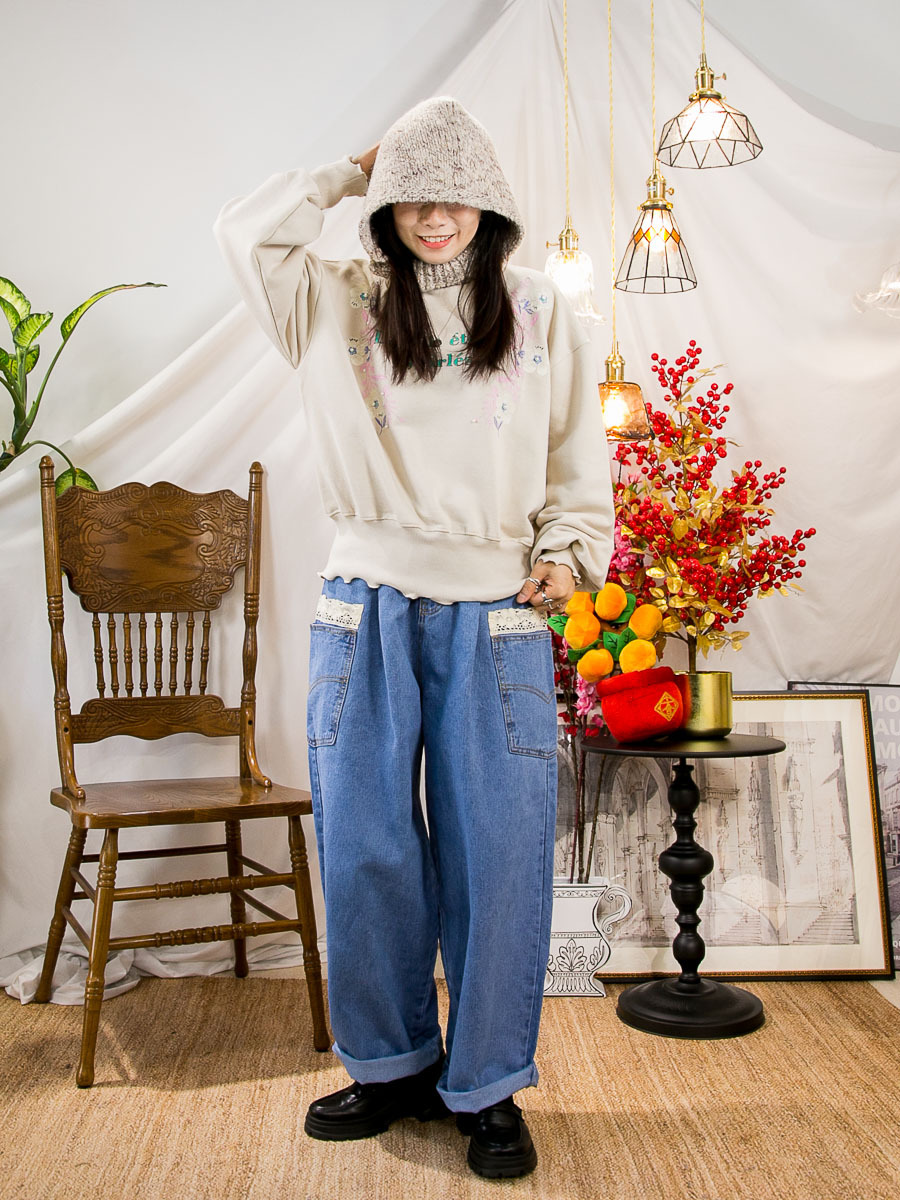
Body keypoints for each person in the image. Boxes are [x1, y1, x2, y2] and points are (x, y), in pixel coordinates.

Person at [215, 96, 614, 1180]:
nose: (436, 218)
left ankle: (486, 1084)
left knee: (501, 855)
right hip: (366, 608)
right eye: (413, 197)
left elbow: (579, 458)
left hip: (498, 612)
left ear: (493, 206)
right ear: (385, 207)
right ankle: (389, 1066)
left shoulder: (539, 310)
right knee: (366, 850)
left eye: (457, 197)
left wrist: (568, 553)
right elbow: (242, 231)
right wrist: (350, 168)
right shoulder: (332, 297)